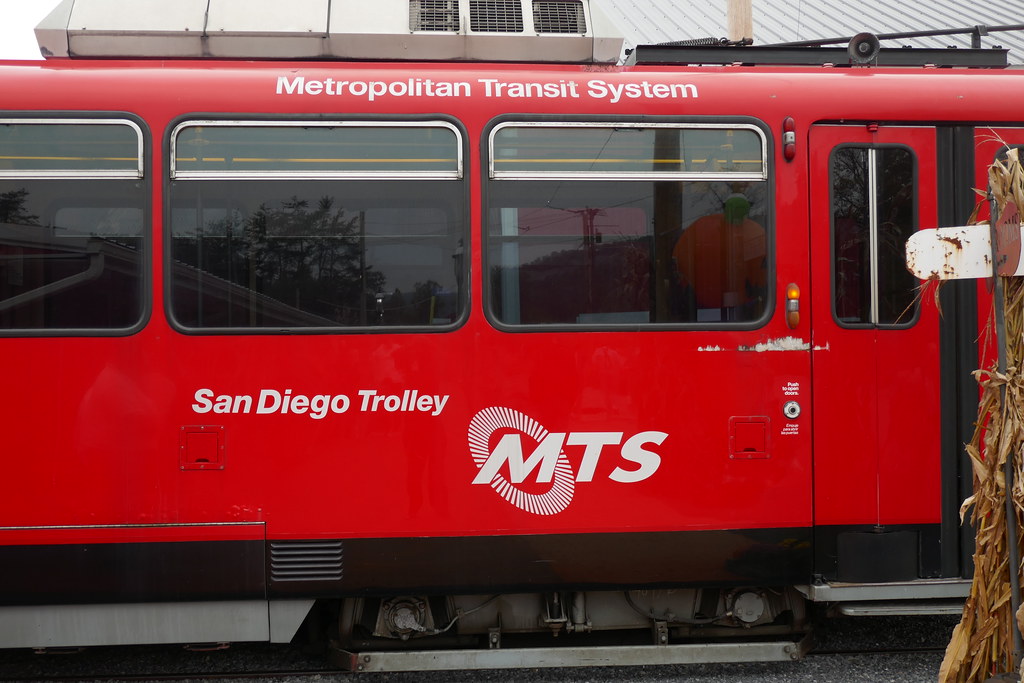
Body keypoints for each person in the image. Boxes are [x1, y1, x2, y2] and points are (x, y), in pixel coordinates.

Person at [672, 193, 766, 322]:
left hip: (740, 303)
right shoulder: (701, 228)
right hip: (704, 303)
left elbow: (761, 270)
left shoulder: (755, 233)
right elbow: (680, 266)